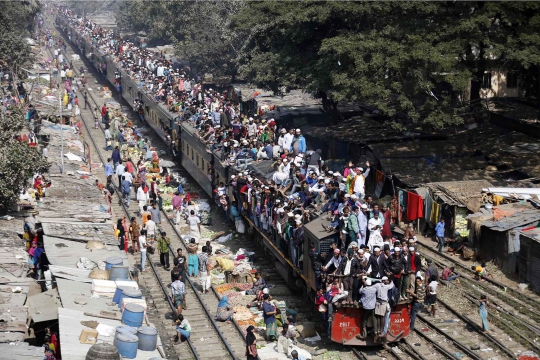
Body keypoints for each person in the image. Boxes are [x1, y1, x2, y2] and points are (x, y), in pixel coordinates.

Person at [374, 276, 394, 340]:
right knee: (382, 317)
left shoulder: (377, 285)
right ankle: (382, 331)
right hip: (383, 303)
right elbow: (392, 285)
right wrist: (392, 281)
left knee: (378, 317)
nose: (387, 281)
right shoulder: (387, 286)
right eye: (386, 280)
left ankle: (378, 330)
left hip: (378, 302)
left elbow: (372, 287)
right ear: (384, 281)